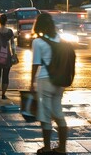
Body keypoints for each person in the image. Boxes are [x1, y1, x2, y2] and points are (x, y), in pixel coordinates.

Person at [30, 13, 67, 154]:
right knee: (58, 113)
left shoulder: (38, 42)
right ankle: (62, 148)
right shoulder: (59, 38)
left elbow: (35, 64)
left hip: (45, 80)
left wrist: (31, 83)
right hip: (59, 81)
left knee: (45, 115)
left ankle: (46, 147)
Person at [0, 14, 16, 102]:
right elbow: (13, 44)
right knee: (6, 76)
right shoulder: (10, 31)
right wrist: (14, 54)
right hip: (7, 56)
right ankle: (3, 94)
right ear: (6, 21)